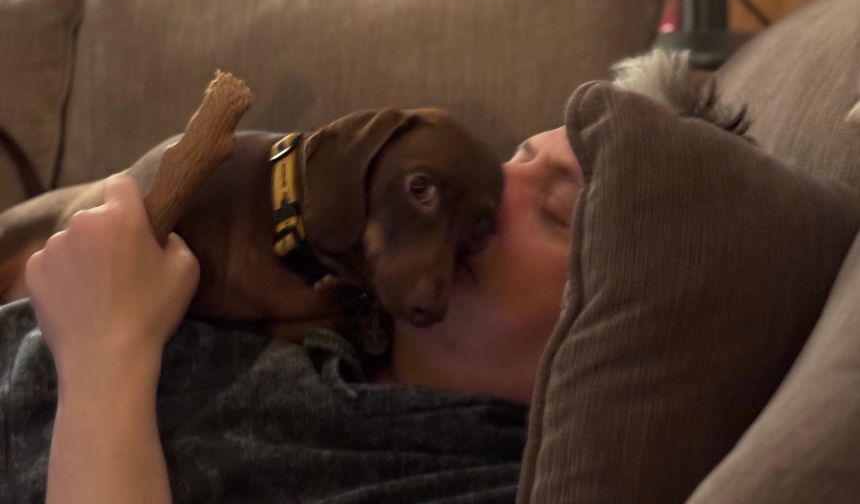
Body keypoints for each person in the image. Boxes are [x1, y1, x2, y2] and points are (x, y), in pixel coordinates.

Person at [13, 125, 583, 504]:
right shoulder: (321, 289)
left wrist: (103, 356)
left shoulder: (495, 482)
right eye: (517, 156)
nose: (492, 184)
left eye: (558, 209)